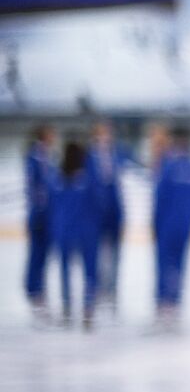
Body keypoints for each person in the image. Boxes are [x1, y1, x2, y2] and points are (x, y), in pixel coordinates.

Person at [152, 124, 190, 327]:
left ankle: (166, 300)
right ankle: (173, 301)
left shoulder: (170, 165)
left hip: (168, 223)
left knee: (167, 263)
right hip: (182, 223)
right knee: (177, 263)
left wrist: (154, 223)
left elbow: (160, 197)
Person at [50, 138, 100, 329]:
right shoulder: (87, 178)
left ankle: (68, 308)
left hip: (66, 231)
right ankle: (86, 309)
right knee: (89, 272)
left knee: (67, 270)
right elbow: (97, 204)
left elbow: (53, 207)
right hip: (85, 232)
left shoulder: (58, 178)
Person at [86, 120, 129, 309]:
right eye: (103, 132)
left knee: (115, 253)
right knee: (96, 253)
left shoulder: (118, 152)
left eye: (109, 133)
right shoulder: (88, 156)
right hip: (95, 212)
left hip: (115, 211)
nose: (107, 136)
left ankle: (112, 289)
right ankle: (96, 288)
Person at [23, 123, 56, 320]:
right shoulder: (34, 157)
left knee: (44, 255)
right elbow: (34, 187)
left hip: (48, 214)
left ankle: (40, 291)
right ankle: (33, 290)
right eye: (51, 133)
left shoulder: (47, 156)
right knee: (36, 254)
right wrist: (40, 208)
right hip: (38, 215)